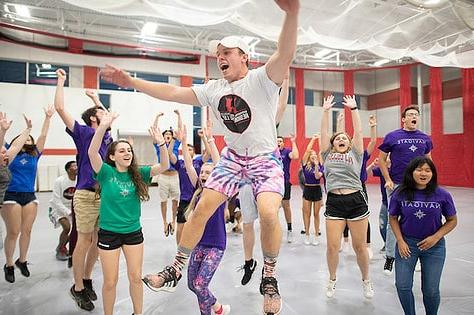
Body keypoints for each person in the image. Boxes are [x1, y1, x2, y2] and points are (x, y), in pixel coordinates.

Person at [100, 1, 299, 313]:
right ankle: (177, 267)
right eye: (217, 54)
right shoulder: (213, 89)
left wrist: (292, 13)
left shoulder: (262, 79)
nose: (220, 57)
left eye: (227, 52)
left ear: (244, 56)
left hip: (264, 158)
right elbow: (171, 92)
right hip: (233, 158)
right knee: (201, 207)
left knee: (269, 212)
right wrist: (133, 82)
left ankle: (269, 275)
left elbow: (284, 53)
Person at [88, 110, 169, 315]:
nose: (127, 153)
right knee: (110, 281)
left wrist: (161, 144)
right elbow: (91, 153)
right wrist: (102, 127)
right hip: (109, 232)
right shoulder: (106, 172)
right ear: (113, 156)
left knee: (135, 277)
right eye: (122, 151)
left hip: (133, 232)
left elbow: (165, 165)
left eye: (129, 150)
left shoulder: (139, 173)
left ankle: (138, 313)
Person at [55, 68, 112, 311]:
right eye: (101, 113)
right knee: (84, 240)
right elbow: (60, 109)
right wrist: (60, 81)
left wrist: (96, 100)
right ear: (93, 119)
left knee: (99, 242)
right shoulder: (84, 132)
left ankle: (86, 279)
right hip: (86, 195)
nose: (106, 114)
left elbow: (107, 115)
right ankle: (77, 287)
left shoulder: (107, 137)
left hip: (104, 196)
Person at [320, 95, 374, 299]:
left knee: (360, 247)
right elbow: (325, 133)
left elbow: (359, 132)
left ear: (350, 143)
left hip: (356, 202)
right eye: (338, 138)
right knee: (332, 246)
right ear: (333, 144)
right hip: (334, 202)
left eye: (344, 138)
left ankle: (366, 280)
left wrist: (355, 109)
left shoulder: (356, 154)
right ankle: (332, 280)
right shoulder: (326, 154)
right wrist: (325, 111)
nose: (341, 139)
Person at [238, 75, 290, 285]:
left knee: (269, 220)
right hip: (245, 180)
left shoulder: (268, 122)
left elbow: (283, 105)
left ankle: (268, 269)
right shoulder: (240, 126)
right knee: (247, 223)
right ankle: (249, 262)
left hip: (266, 178)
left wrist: (284, 81)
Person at [389, 157, 457, 315]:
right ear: (411, 172)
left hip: (434, 247)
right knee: (402, 285)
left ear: (433, 173)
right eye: (419, 169)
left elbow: (452, 220)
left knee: (431, 290)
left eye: (428, 170)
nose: (423, 173)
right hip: (407, 244)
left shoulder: (442, 194)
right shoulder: (400, 193)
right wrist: (400, 241)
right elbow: (393, 218)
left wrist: (436, 237)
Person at [2, 106, 54, 283]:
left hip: (29, 195)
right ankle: (9, 264)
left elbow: (43, 137)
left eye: (30, 139)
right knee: (13, 231)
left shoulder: (34, 155)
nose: (29, 140)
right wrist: (25, 130)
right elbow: (6, 143)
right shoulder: (10, 153)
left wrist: (47, 118)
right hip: (11, 195)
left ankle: (22, 260)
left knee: (27, 230)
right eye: (25, 138)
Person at [379, 105, 433, 275]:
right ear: (403, 119)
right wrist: (387, 179)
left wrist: (430, 183)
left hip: (419, 186)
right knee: (392, 221)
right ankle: (390, 258)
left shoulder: (425, 138)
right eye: (410, 114)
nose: (413, 116)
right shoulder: (392, 136)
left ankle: (415, 256)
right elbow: (381, 160)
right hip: (396, 185)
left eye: (416, 114)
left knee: (418, 220)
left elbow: (429, 162)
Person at [338, 113, 376, 258]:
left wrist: (372, 127)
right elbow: (339, 137)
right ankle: (345, 241)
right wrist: (340, 121)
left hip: (359, 188)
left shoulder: (362, 155)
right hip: (344, 186)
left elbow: (372, 142)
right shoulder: (342, 155)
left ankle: (368, 245)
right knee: (343, 216)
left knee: (363, 217)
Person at [152, 112, 181, 237]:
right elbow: (154, 131)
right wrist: (157, 117)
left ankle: (173, 222)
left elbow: (179, 130)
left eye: (170, 134)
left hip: (174, 176)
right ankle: (165, 223)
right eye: (166, 135)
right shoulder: (159, 146)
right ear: (163, 137)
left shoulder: (175, 145)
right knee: (163, 201)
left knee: (175, 201)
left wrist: (179, 115)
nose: (168, 136)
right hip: (163, 176)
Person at [49, 160, 77, 261]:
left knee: (77, 230)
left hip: (73, 208)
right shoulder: (59, 181)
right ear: (68, 170)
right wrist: (68, 212)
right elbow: (56, 201)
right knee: (67, 227)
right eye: (74, 166)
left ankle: (62, 246)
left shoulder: (79, 180)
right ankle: (61, 249)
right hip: (58, 208)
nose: (77, 167)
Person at [301, 134, 323, 246]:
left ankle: (316, 235)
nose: (314, 156)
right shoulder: (305, 164)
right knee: (307, 213)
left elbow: (317, 177)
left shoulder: (320, 166)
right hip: (307, 189)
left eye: (315, 155)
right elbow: (307, 150)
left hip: (317, 189)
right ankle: (307, 234)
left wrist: (316, 165)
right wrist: (313, 139)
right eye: (312, 155)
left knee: (316, 214)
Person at [277, 134, 299, 243]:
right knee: (274, 207)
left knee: (286, 206)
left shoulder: (286, 151)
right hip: (273, 183)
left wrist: (293, 141)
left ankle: (289, 229)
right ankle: (274, 231)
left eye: (280, 141)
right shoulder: (270, 152)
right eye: (276, 141)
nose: (278, 142)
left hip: (285, 182)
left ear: (283, 143)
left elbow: (295, 156)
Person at [367, 157, 390, 253]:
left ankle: (395, 245)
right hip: (385, 202)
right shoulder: (382, 169)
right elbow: (366, 173)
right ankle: (386, 244)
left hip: (398, 202)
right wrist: (372, 164)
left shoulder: (399, 169)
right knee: (382, 225)